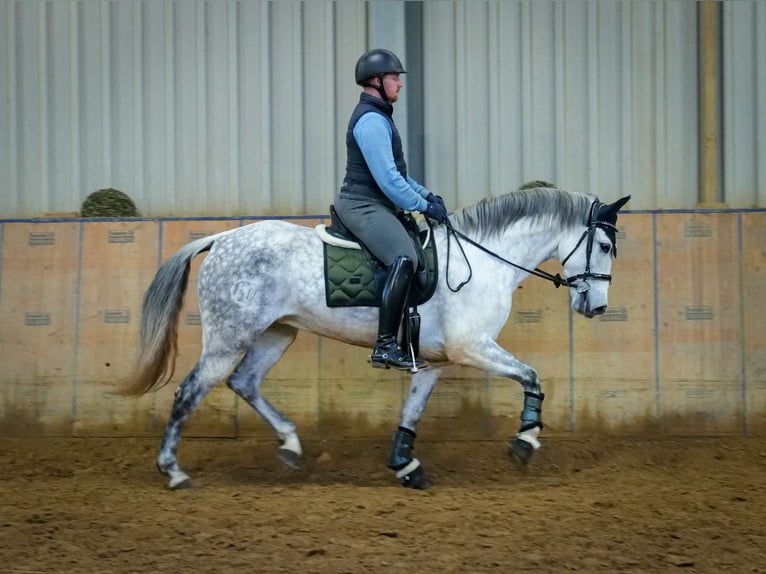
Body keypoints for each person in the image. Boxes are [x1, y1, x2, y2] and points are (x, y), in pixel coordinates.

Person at [333, 48, 448, 371]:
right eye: (394, 77)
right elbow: (388, 181)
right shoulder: (370, 121)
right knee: (405, 257)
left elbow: (398, 174)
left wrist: (427, 195)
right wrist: (422, 205)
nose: (400, 84)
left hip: (375, 203)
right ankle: (385, 345)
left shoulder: (379, 116)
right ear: (376, 81)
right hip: (362, 205)